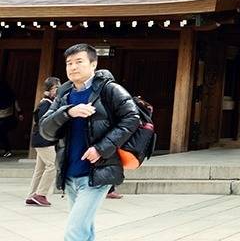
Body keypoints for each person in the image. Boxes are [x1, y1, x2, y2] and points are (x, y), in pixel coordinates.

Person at [40, 44, 140, 241]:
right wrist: (67, 112)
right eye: (69, 63)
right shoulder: (64, 94)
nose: (73, 67)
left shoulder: (109, 89)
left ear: (93, 64)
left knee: (74, 230)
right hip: (70, 172)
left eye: (79, 62)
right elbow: (45, 128)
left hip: (97, 171)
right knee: (84, 230)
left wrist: (101, 149)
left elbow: (132, 118)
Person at [26, 76, 61, 206]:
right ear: (49, 90)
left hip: (40, 140)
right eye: (55, 88)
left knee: (40, 169)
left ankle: (31, 195)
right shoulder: (46, 104)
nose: (57, 91)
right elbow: (45, 123)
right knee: (52, 166)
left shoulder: (45, 103)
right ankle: (41, 194)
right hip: (44, 141)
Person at [0, 79, 24, 158]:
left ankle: (7, 150)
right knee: (3, 134)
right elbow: (15, 101)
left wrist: (20, 113)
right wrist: (20, 112)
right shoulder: (9, 93)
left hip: (6, 116)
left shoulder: (7, 93)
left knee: (2, 133)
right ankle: (7, 150)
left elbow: (15, 102)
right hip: (7, 116)